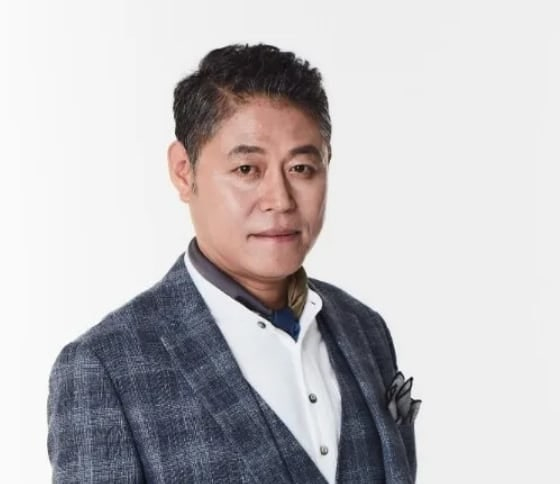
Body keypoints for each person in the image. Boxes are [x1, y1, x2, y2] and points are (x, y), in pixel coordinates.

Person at [47, 43, 420, 484]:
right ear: (184, 171)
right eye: (247, 169)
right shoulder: (106, 367)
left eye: (302, 168)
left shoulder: (365, 329)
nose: (280, 200)